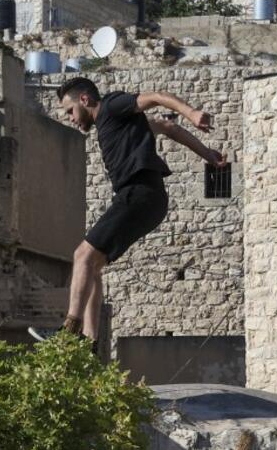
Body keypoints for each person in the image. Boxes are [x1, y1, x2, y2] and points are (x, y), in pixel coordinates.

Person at [28, 77, 226, 351]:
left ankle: (67, 333)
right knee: (93, 266)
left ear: (84, 100)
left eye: (70, 111)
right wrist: (207, 155)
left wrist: (191, 113)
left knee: (82, 256)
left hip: (139, 193)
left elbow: (156, 95)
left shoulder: (112, 107)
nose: (71, 119)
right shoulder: (122, 124)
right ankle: (89, 342)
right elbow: (167, 127)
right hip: (149, 200)